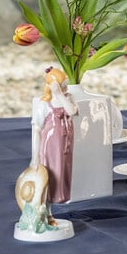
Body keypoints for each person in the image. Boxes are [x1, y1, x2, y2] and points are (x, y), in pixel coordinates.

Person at [33, 66, 77, 204]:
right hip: (51, 141)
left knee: (65, 167)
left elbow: (72, 111)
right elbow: (36, 129)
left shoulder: (69, 98)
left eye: (65, 84)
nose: (66, 88)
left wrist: (60, 95)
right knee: (51, 168)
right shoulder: (44, 103)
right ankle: (48, 197)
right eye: (62, 85)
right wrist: (35, 155)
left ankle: (63, 195)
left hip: (66, 140)